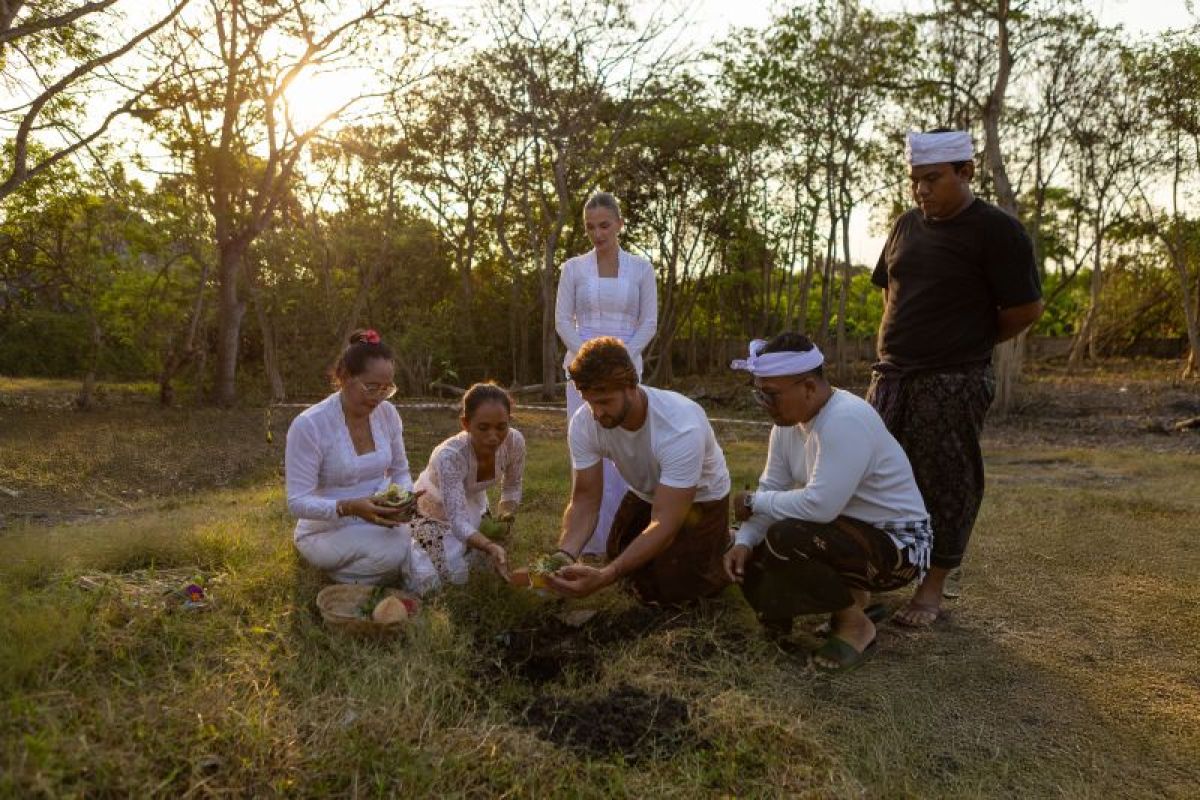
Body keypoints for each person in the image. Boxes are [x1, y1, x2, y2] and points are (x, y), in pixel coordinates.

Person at [869, 129, 1044, 627]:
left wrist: (971, 342)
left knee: (946, 481)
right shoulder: (905, 226)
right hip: (891, 377)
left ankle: (932, 589)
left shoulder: (997, 231)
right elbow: (891, 296)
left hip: (952, 379)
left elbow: (1026, 307)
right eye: (914, 181)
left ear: (965, 173)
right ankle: (873, 577)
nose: (921, 190)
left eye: (932, 179)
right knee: (872, 475)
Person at [723, 334, 932, 672]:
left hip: (900, 546)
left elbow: (819, 506)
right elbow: (771, 489)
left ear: (808, 386)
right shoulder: (787, 426)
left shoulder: (844, 419)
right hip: (850, 531)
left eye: (771, 394)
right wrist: (744, 541)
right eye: (759, 393)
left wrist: (754, 501)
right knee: (758, 537)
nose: (765, 403)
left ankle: (855, 625)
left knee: (785, 535)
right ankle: (848, 602)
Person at [543, 337, 731, 605]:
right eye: (589, 402)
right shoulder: (584, 422)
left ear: (632, 385)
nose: (597, 413)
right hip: (646, 492)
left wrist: (606, 575)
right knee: (621, 561)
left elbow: (665, 522)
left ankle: (725, 541)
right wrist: (564, 555)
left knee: (676, 590)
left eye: (605, 401)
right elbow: (584, 500)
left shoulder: (680, 426)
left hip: (701, 499)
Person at [285, 329, 437, 590]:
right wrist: (351, 507)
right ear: (344, 376)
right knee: (395, 550)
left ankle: (367, 573)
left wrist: (403, 500)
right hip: (325, 530)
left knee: (430, 535)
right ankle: (354, 578)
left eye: (386, 389)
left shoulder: (388, 414)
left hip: (381, 518)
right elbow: (297, 502)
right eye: (370, 387)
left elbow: (400, 471)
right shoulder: (309, 425)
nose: (378, 397)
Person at [554, 191, 658, 558]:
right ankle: (592, 541)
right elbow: (563, 320)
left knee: (627, 451)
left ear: (619, 224)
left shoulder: (642, 269)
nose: (598, 234)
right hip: (582, 367)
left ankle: (627, 534)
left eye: (604, 225)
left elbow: (648, 323)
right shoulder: (573, 269)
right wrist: (589, 359)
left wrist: (619, 359)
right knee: (588, 449)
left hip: (626, 367)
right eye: (590, 227)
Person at [411, 382, 522, 584]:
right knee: (434, 578)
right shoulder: (450, 456)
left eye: (501, 427)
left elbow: (512, 486)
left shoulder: (514, 442)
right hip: (435, 507)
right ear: (465, 424)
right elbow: (458, 522)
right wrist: (489, 545)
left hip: (473, 502)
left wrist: (505, 517)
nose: (493, 437)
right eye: (483, 428)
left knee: (489, 566)